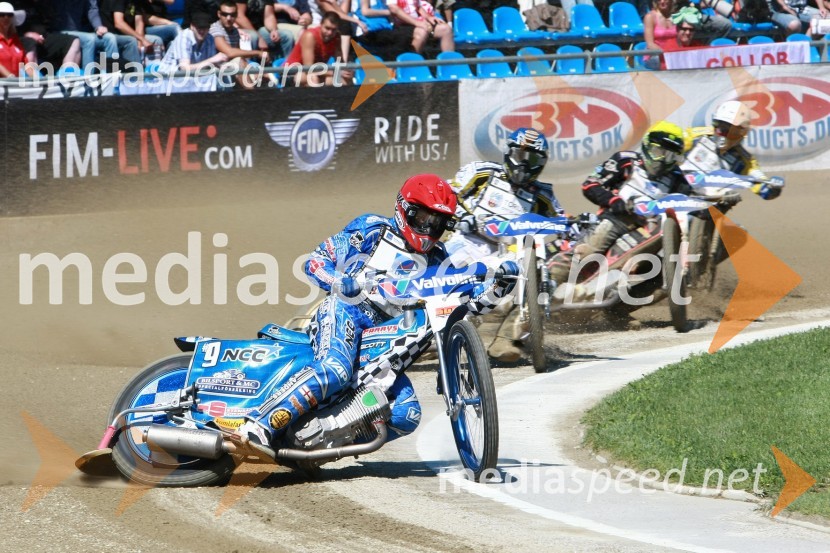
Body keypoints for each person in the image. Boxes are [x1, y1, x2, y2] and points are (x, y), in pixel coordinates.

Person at [235, 174, 519, 446]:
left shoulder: (439, 258)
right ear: (404, 210)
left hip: (387, 336)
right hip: (348, 311)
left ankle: (314, 445)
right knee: (335, 369)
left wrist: (497, 289)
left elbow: (464, 308)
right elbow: (317, 260)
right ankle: (257, 426)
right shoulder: (372, 228)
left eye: (437, 223)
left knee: (405, 414)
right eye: (422, 219)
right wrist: (338, 281)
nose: (428, 229)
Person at [445, 128, 564, 363]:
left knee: (538, 277)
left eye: (533, 160)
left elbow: (561, 221)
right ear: (509, 153)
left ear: (541, 163)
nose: (524, 165)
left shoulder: (543, 195)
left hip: (506, 252)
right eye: (520, 156)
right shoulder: (482, 172)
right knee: (441, 277)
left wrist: (575, 225)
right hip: (469, 240)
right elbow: (449, 192)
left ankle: (508, 339)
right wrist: (461, 215)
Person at [548, 121, 690, 298]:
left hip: (653, 229)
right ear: (647, 146)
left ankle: (617, 312)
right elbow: (590, 184)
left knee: (662, 273)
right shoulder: (625, 160)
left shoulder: (679, 180)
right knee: (587, 253)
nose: (662, 160)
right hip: (617, 218)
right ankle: (545, 282)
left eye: (670, 156)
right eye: (659, 152)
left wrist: (714, 206)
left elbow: (689, 208)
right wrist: (614, 201)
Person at [681, 100, 782, 199]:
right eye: (720, 127)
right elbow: (674, 141)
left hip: (700, 206)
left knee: (720, 215)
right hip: (674, 185)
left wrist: (773, 188)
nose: (723, 133)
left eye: (730, 130)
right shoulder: (697, 135)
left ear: (742, 132)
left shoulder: (745, 160)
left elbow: (763, 188)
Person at [47, 0, 129, 73]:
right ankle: (88, 79)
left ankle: (110, 78)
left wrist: (98, 26)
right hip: (59, 30)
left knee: (109, 38)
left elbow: (92, 9)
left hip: (78, 31)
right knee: (89, 39)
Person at [210, 0, 270, 88]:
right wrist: (258, 53)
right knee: (238, 63)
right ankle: (253, 96)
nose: (229, 18)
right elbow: (229, 53)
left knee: (263, 74)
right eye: (225, 14)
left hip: (231, 66)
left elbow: (238, 54)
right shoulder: (215, 29)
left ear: (236, 15)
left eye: (232, 15)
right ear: (219, 14)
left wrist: (253, 68)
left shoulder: (234, 31)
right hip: (217, 67)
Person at [283, 11, 353, 85]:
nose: (330, 33)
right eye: (327, 28)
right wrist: (335, 72)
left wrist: (346, 71)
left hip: (317, 72)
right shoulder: (310, 36)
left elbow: (340, 61)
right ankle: (318, 96)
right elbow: (309, 68)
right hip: (291, 73)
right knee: (312, 78)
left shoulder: (336, 37)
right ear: (321, 24)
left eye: (333, 30)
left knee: (344, 81)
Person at [16, 0, 83, 75]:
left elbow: (50, 23)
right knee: (30, 42)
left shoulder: (44, 3)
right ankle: (33, 78)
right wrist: (27, 34)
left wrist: (42, 35)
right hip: (21, 37)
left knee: (73, 40)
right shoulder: (17, 4)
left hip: (43, 37)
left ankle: (68, 76)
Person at [158, 9, 227, 71]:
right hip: (168, 78)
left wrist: (222, 65)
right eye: (199, 28)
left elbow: (212, 63)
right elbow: (184, 69)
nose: (202, 31)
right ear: (192, 26)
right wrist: (212, 60)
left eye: (205, 27)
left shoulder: (210, 39)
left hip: (193, 78)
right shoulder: (184, 37)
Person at [100, 0, 164, 64]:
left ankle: (154, 71)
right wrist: (142, 40)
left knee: (156, 40)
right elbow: (119, 24)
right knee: (131, 41)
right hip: (112, 33)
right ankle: (135, 72)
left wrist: (140, 43)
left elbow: (139, 23)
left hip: (128, 34)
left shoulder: (137, 2)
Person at [387, 0, 454, 55]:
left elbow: (418, 7)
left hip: (417, 23)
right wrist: (417, 23)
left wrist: (429, 17)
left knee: (445, 29)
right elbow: (394, 9)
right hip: (401, 25)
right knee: (422, 31)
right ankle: (411, 66)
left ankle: (451, 66)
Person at [643, 0, 677, 70]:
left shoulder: (676, 16)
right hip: (656, 55)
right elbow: (650, 44)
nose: (662, 2)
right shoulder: (650, 17)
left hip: (673, 54)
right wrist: (666, 53)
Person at [0, 1, 28, 77]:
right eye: (2, 15)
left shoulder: (15, 40)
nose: (6, 17)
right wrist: (10, 77)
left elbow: (26, 64)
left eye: (9, 15)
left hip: (13, 85)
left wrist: (37, 78)